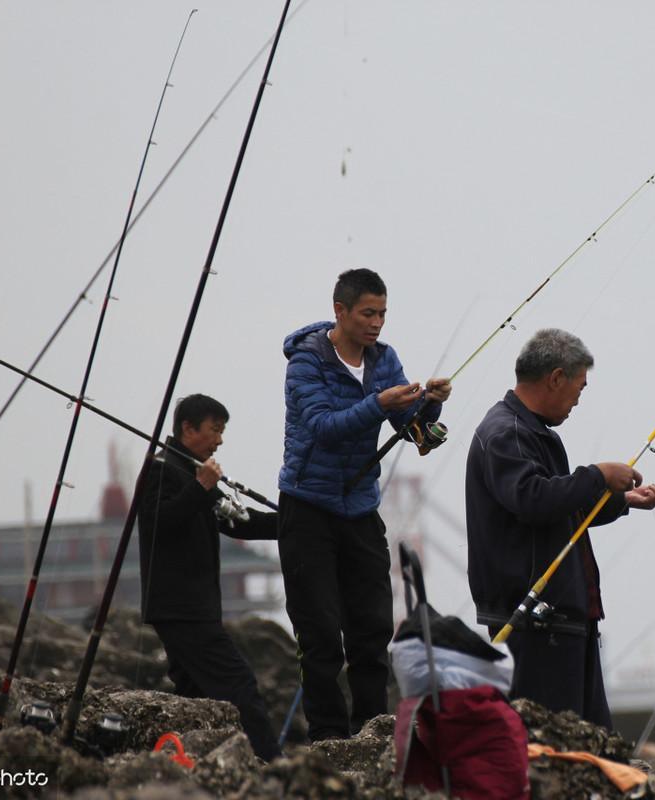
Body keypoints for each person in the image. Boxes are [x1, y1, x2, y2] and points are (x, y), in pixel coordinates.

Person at [278, 268, 451, 742]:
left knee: (373, 629)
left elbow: (408, 423)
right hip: (306, 509)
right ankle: (329, 739)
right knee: (319, 635)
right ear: (341, 311)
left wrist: (429, 405)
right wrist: (380, 403)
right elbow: (323, 426)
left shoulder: (383, 359)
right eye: (368, 313)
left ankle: (374, 731)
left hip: (358, 509)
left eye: (382, 314)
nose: (377, 323)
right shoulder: (306, 362)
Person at [465, 328, 655, 729]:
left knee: (592, 741)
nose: (578, 399)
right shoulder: (507, 433)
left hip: (565, 620)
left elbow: (557, 508)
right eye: (578, 388)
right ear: (555, 378)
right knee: (555, 746)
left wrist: (622, 500)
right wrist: (598, 475)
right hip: (536, 623)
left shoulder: (533, 433)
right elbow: (532, 499)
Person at [138, 394, 281, 761]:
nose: (219, 440)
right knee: (239, 683)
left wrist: (291, 524)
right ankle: (274, 767)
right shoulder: (161, 469)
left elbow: (235, 521)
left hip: (194, 607)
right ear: (188, 428)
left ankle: (182, 763)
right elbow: (159, 524)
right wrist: (200, 487)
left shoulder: (191, 471)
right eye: (215, 430)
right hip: (181, 607)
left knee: (193, 696)